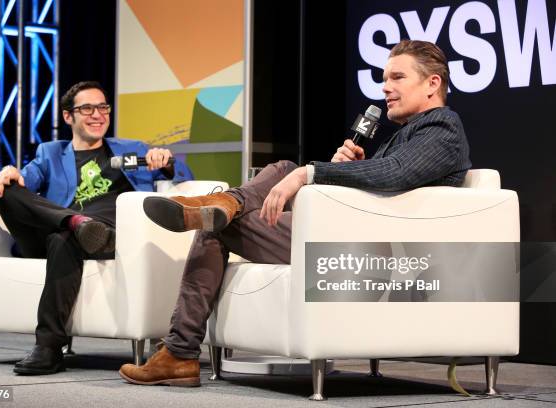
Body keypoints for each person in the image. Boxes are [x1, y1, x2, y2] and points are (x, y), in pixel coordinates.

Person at [119, 40, 471, 386]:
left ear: (432, 83)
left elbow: (395, 173)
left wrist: (312, 173)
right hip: (350, 237)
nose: (385, 88)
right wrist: (347, 174)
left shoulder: (442, 128)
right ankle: (227, 206)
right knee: (258, 186)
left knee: (230, 215)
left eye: (397, 77)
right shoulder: (411, 133)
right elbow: (392, 182)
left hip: (367, 255)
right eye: (384, 78)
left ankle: (180, 352)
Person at [0, 81, 194, 375]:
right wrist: (10, 173)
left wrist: (166, 163)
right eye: (87, 108)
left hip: (107, 236)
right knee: (6, 190)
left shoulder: (131, 149)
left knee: (65, 239)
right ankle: (72, 221)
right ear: (67, 116)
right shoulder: (50, 153)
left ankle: (48, 348)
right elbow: (26, 184)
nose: (97, 114)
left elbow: (185, 177)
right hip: (55, 234)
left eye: (103, 107)